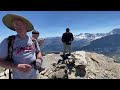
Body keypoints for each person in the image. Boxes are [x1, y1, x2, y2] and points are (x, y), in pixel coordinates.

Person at [0, 14, 43, 79]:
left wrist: (39, 59)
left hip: (34, 75)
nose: (18, 26)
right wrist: (16, 66)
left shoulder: (33, 41)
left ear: (26, 25)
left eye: (21, 24)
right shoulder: (8, 42)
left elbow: (38, 52)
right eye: (15, 24)